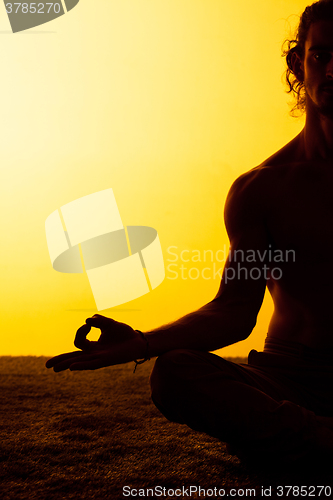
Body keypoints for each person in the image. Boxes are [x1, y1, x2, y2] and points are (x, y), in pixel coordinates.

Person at [46, 0, 333, 462]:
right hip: (289, 378)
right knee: (177, 372)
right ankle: (317, 437)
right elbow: (235, 311)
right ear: (299, 61)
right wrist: (140, 342)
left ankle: (305, 443)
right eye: (322, 55)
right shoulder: (260, 188)